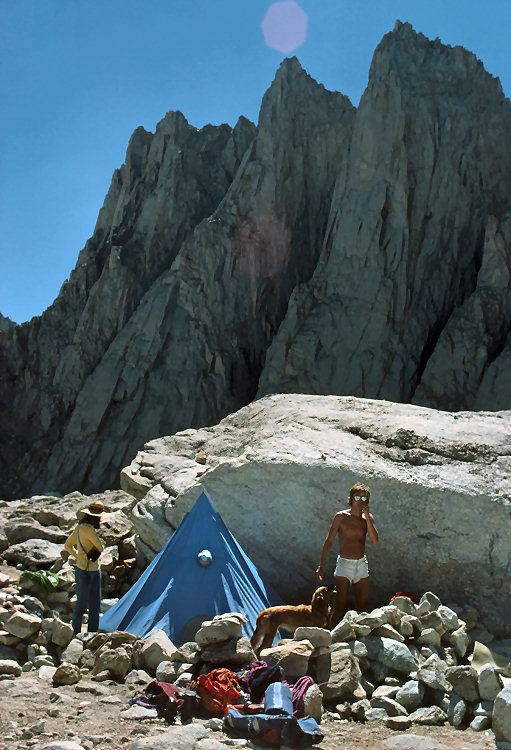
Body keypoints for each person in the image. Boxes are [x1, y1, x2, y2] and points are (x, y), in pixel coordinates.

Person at [316, 482, 378, 627]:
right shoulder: (341, 517)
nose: (360, 501)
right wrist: (321, 565)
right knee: (340, 606)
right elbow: (329, 541)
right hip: (345, 564)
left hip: (361, 564)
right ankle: (332, 635)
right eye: (357, 497)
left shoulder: (367, 518)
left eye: (364, 498)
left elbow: (374, 540)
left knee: (362, 606)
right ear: (351, 499)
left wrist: (367, 516)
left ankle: (359, 636)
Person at [63, 500, 104, 635]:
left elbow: (68, 545)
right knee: (94, 605)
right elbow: (100, 547)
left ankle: (75, 632)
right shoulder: (90, 529)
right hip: (93, 570)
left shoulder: (79, 527)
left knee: (80, 603)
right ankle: (92, 633)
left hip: (81, 569)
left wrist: (78, 556)